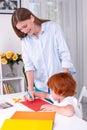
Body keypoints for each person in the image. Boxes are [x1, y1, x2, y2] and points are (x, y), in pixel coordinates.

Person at [11, 8, 76, 100]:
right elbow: (29, 66)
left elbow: (64, 54)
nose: (24, 31)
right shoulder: (25, 41)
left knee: (64, 112)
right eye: (20, 29)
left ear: (32, 18)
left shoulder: (53, 28)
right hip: (41, 87)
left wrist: (63, 81)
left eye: (25, 26)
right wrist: (30, 89)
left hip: (60, 86)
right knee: (43, 112)